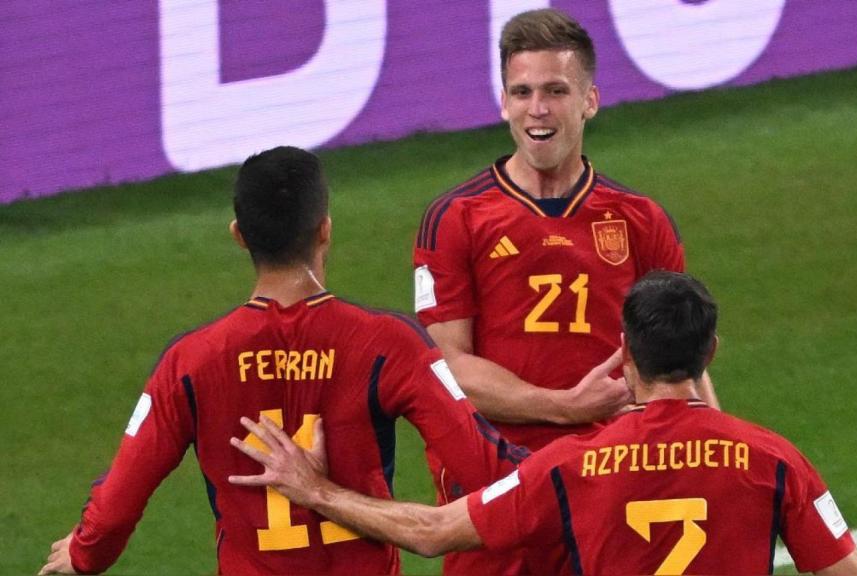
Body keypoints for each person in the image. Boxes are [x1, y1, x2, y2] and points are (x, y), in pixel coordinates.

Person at [228, 271, 857, 576]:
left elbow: (434, 534)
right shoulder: (774, 460)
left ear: (623, 356)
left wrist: (317, 492)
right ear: (709, 352)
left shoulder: (573, 466)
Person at [39, 146, 524, 575]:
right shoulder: (389, 345)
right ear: (325, 229)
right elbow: (491, 471)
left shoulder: (190, 362)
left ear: (238, 235)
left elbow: (117, 508)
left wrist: (84, 553)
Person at [413, 9, 718, 571]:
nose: (538, 109)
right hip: (499, 481)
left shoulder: (639, 220)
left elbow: (683, 361)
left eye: (556, 90)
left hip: (612, 481)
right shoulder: (457, 218)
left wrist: (714, 456)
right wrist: (563, 408)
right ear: (503, 102)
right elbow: (447, 368)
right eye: (522, 91)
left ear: (590, 101)